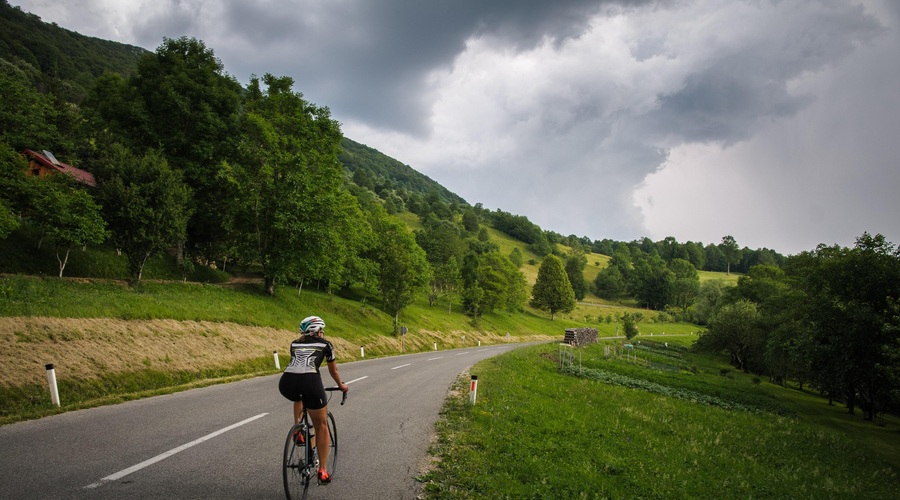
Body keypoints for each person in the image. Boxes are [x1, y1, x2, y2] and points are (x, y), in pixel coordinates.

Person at [278, 315, 349, 485]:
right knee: (321, 425)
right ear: (317, 331)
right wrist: (341, 385)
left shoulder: (294, 343)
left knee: (299, 397)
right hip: (310, 382)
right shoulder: (326, 345)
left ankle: (298, 430)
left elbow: (298, 367)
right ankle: (322, 470)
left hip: (286, 383)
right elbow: (333, 371)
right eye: (322, 330)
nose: (323, 333)